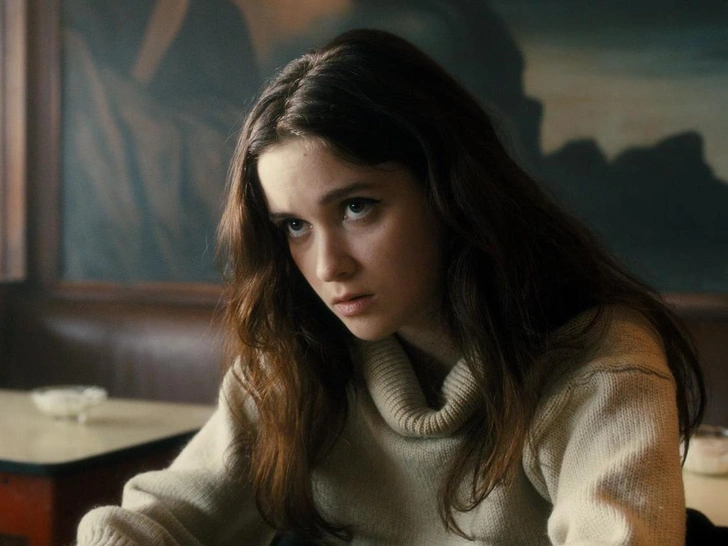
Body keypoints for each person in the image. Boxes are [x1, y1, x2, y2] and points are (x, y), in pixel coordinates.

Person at [77, 29, 705, 545]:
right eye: (295, 226)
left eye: (357, 207)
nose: (328, 266)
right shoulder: (294, 360)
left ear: (448, 191)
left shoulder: (596, 363)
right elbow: (153, 522)